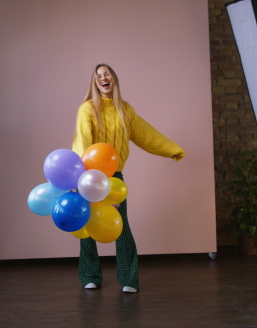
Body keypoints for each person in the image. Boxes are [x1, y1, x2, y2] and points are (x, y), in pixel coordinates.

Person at [72, 64, 185, 293]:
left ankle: (129, 279)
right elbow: (83, 141)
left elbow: (146, 135)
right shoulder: (87, 109)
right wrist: (83, 180)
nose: (104, 78)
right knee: (87, 226)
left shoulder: (125, 110)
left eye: (108, 74)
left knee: (121, 226)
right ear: (94, 83)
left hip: (114, 177)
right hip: (88, 174)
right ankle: (90, 275)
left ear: (114, 79)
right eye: (99, 76)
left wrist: (173, 149)